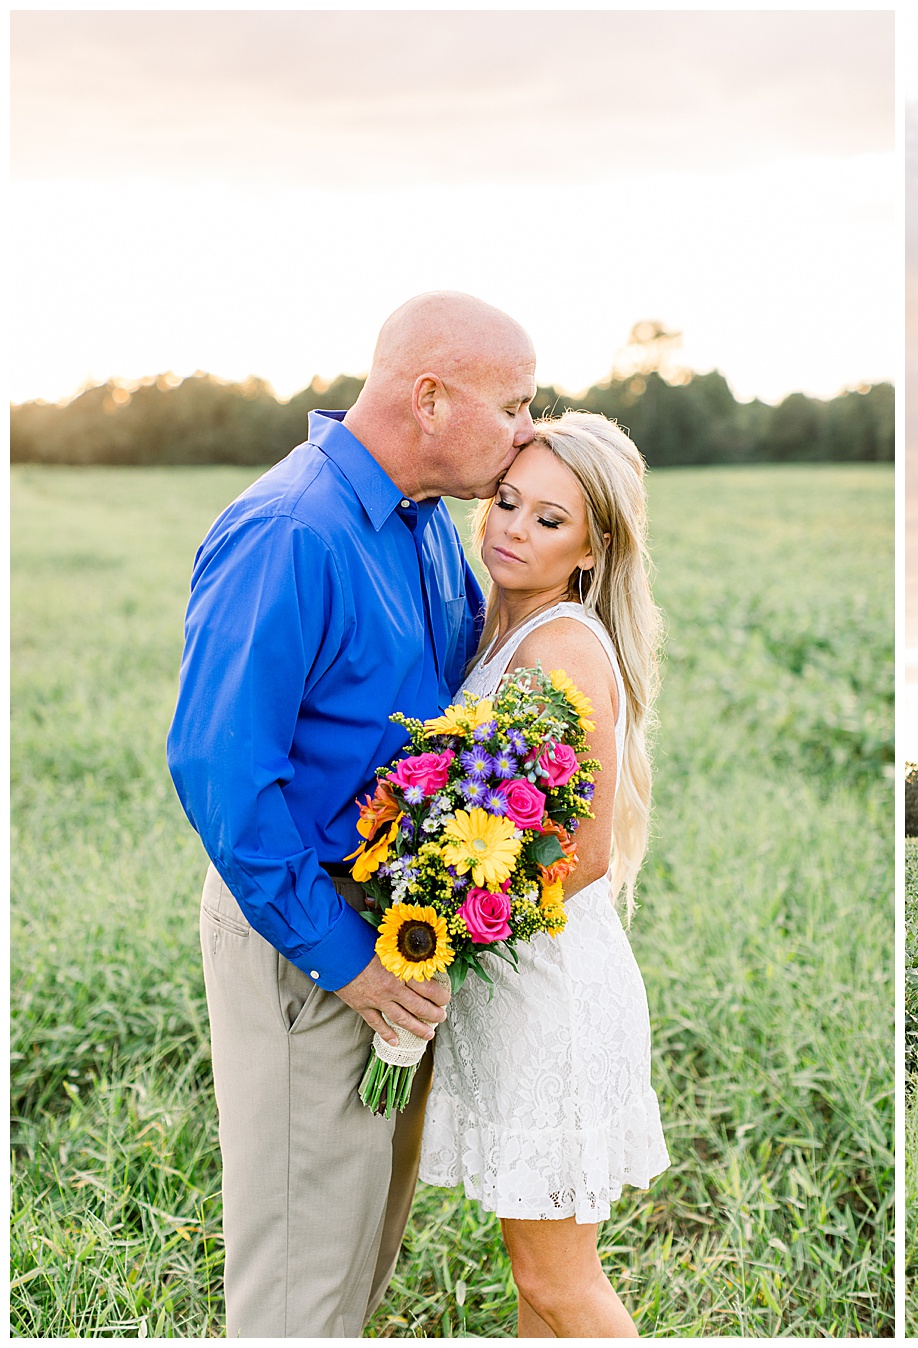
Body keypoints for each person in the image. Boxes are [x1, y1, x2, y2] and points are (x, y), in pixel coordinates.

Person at [167, 292, 539, 1335]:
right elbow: (223, 777)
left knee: (359, 1247)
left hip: (400, 928)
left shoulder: (424, 527)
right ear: (430, 399)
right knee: (298, 1284)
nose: (528, 431)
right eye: (514, 404)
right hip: (309, 935)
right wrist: (352, 963)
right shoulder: (292, 531)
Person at [417, 412, 669, 1336]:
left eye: (549, 520)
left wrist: (441, 922)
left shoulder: (560, 647)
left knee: (562, 1283)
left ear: (594, 548)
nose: (512, 529)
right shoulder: (496, 630)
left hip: (547, 994)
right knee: (536, 1284)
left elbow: (584, 855)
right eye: (508, 501)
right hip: (512, 982)